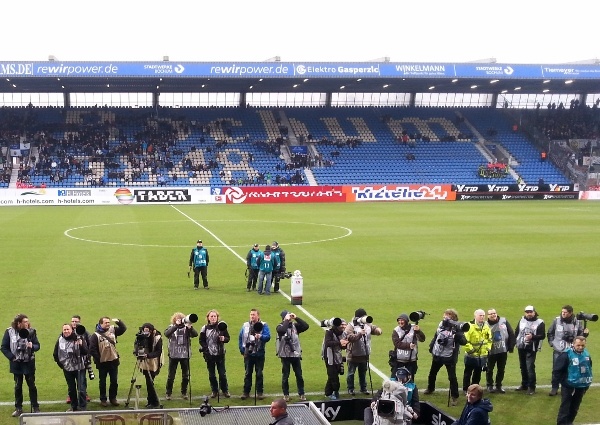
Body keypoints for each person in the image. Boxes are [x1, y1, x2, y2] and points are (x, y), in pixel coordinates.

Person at [423, 309, 467, 406]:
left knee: (452, 377)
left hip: (449, 357)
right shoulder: (441, 324)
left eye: (447, 316)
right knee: (432, 373)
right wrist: (431, 346)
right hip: (438, 354)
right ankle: (430, 388)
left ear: (453, 317)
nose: (445, 318)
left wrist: (457, 335)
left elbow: (464, 342)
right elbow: (436, 335)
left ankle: (454, 397)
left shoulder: (457, 327)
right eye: (444, 316)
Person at [1, 314, 41, 417]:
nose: (27, 323)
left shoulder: (31, 331)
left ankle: (35, 407)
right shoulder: (9, 332)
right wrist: (12, 357)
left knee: (31, 385)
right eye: (25, 322)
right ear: (19, 323)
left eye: (27, 321)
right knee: (18, 386)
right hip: (16, 364)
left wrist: (33, 346)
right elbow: (4, 347)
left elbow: (37, 345)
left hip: (29, 362)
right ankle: (18, 408)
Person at [547, 305, 589, 396]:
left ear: (570, 313)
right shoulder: (557, 320)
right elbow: (550, 332)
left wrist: (585, 334)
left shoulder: (577, 322)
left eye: (565, 312)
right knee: (556, 369)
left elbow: (580, 336)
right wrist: (552, 343)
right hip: (559, 349)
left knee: (570, 369)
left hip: (571, 351)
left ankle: (566, 387)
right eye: (562, 312)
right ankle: (554, 387)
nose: (563, 313)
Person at [89, 316, 127, 407]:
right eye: (106, 323)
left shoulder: (113, 330)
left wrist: (119, 321)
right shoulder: (95, 335)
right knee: (102, 382)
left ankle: (113, 398)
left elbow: (123, 329)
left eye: (109, 322)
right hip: (102, 363)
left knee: (114, 381)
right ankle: (103, 399)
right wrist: (100, 359)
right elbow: (92, 349)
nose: (108, 324)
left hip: (113, 361)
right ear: (100, 324)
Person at [345, 308, 383, 396]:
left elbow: (374, 329)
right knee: (351, 373)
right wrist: (359, 334)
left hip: (364, 353)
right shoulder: (350, 326)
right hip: (353, 354)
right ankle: (350, 389)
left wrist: (378, 331)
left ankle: (363, 388)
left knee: (363, 372)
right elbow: (349, 338)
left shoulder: (367, 324)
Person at [555, 336, 592, 425]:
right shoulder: (566, 354)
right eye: (578, 345)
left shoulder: (586, 354)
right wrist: (564, 383)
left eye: (582, 345)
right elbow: (557, 370)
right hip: (569, 385)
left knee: (575, 406)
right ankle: (562, 423)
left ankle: (569, 422)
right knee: (565, 406)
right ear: (573, 344)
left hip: (582, 385)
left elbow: (589, 369)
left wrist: (587, 385)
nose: (580, 347)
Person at [53, 323, 89, 412]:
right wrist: (62, 365)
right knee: (71, 389)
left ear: (71, 330)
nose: (66, 331)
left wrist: (81, 345)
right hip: (67, 369)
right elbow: (55, 354)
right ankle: (74, 407)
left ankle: (83, 407)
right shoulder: (60, 340)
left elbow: (85, 352)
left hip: (79, 368)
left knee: (81, 389)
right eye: (64, 329)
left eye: (67, 329)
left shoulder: (79, 338)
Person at [164, 312, 198, 401]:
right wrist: (176, 326)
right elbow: (167, 334)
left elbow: (195, 334)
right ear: (174, 320)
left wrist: (190, 328)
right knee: (171, 376)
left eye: (180, 319)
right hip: (173, 355)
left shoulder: (186, 328)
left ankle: (184, 392)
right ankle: (168, 393)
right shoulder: (171, 326)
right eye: (177, 319)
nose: (179, 320)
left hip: (185, 355)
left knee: (186, 375)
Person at [276, 310, 309, 402]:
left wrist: (296, 318)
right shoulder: (280, 326)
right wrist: (286, 320)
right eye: (288, 316)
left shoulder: (295, 327)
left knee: (299, 375)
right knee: (285, 376)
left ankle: (301, 393)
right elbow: (282, 330)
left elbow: (306, 326)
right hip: (285, 355)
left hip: (295, 355)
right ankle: (286, 395)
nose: (290, 318)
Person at [239, 308, 271, 399]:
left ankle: (260, 392)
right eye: (251, 314)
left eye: (254, 314)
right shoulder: (245, 325)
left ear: (258, 316)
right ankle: (246, 392)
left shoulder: (264, 325)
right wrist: (242, 350)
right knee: (248, 373)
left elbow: (268, 337)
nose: (252, 316)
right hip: (248, 354)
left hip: (259, 353)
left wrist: (260, 336)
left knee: (259, 373)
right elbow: (240, 337)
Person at [514, 305, 545, 395]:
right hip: (521, 346)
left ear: (534, 312)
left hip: (532, 348)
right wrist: (515, 342)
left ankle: (531, 387)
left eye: (530, 312)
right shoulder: (522, 320)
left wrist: (533, 337)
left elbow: (542, 335)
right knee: (523, 366)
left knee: (530, 367)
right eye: (527, 312)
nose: (529, 314)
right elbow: (517, 331)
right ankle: (524, 384)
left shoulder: (540, 322)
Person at [200, 309, 231, 398]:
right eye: (211, 316)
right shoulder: (205, 328)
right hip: (209, 355)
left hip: (220, 354)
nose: (213, 318)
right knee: (212, 374)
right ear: (208, 318)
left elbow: (228, 338)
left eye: (215, 316)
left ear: (217, 317)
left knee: (222, 374)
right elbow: (201, 340)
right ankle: (214, 391)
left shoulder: (222, 327)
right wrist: (206, 350)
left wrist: (223, 339)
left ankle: (225, 390)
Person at [485, 308, 516, 394]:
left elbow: (511, 333)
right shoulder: (485, 324)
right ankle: (489, 385)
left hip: (503, 350)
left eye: (494, 313)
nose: (493, 315)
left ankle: (499, 385)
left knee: (501, 369)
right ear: (488, 316)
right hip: (491, 351)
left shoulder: (503, 321)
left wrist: (511, 346)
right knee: (489, 369)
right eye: (491, 314)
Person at [462, 309, 492, 394]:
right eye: (480, 315)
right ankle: (466, 389)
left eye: (483, 315)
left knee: (478, 373)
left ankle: (474, 389)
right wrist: (471, 350)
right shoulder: (469, 326)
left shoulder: (486, 326)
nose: (482, 317)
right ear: (475, 316)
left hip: (482, 355)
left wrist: (488, 348)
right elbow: (464, 340)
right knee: (468, 372)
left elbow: (489, 339)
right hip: (471, 355)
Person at [136, 323, 163, 408]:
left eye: (148, 331)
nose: (146, 332)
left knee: (150, 382)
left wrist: (148, 355)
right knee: (149, 381)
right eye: (145, 330)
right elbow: (137, 346)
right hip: (144, 362)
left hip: (153, 362)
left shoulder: (157, 338)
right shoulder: (140, 336)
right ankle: (151, 401)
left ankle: (153, 401)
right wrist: (137, 352)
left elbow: (158, 352)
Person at [391, 313, 426, 379]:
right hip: (399, 360)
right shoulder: (396, 330)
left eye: (402, 320)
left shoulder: (414, 328)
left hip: (411, 360)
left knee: (410, 380)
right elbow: (397, 343)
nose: (400, 322)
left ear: (406, 321)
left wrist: (418, 331)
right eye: (399, 320)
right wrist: (408, 346)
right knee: (394, 379)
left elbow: (422, 339)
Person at [323, 318, 348, 400]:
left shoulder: (341, 333)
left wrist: (344, 344)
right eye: (341, 325)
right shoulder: (329, 332)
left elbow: (342, 346)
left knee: (333, 375)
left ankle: (328, 393)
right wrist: (339, 343)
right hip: (329, 357)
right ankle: (334, 391)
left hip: (337, 356)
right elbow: (328, 343)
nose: (343, 326)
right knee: (333, 376)